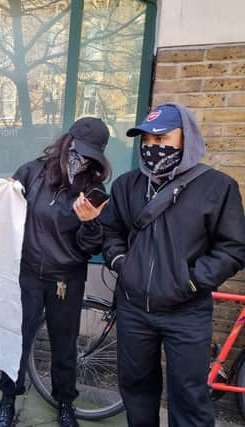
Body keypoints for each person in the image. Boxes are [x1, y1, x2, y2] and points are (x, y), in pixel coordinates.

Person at [101, 103, 245, 426]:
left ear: (186, 138)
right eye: (147, 141)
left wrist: (191, 281)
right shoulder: (126, 185)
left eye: (162, 138)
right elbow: (110, 231)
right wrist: (120, 262)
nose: (153, 147)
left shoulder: (218, 188)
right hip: (133, 309)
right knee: (136, 392)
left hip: (187, 312)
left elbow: (234, 248)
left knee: (189, 398)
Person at [0, 117, 111, 427]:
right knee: (17, 339)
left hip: (66, 279)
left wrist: (90, 222)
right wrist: (3, 194)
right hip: (28, 272)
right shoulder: (33, 171)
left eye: (89, 155)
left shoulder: (92, 188)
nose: (80, 159)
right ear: (67, 142)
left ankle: (65, 403)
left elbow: (91, 247)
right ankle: (8, 398)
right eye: (77, 149)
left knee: (64, 343)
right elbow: (6, 209)